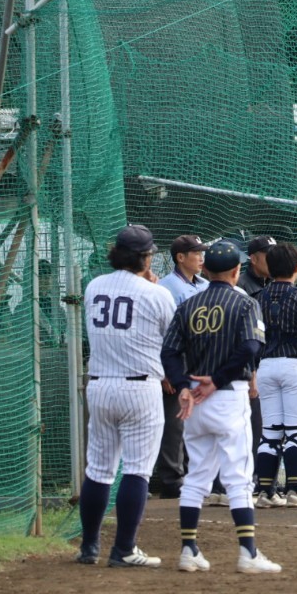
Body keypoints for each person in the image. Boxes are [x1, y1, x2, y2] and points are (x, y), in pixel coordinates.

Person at [162, 239, 281, 574]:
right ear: (235, 270)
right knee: (239, 477)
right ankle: (248, 553)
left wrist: (184, 385)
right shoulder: (244, 303)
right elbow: (251, 346)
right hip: (227, 396)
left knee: (197, 475)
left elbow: (169, 352)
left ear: (206, 269)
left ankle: (189, 550)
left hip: (196, 401)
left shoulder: (188, 305)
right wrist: (216, 378)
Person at [76, 224, 177, 568]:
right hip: (140, 388)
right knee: (136, 470)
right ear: (146, 258)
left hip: (100, 384)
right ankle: (123, 549)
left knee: (100, 469)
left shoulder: (94, 286)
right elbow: (171, 340)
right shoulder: (157, 293)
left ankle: (89, 547)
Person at [253, 244, 297, 509]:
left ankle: (266, 491)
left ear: (270, 268)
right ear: (296, 268)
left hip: (266, 366)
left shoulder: (258, 297)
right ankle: (295, 489)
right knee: (296, 432)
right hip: (296, 363)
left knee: (270, 433)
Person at [153, 234, 208, 501]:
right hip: (176, 359)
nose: (201, 257)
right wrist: (165, 371)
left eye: (202, 252)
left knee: (196, 421)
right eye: (195, 253)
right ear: (180, 257)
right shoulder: (166, 287)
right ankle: (171, 479)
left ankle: (190, 473)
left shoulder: (205, 285)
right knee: (175, 422)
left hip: (201, 360)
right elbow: (161, 333)